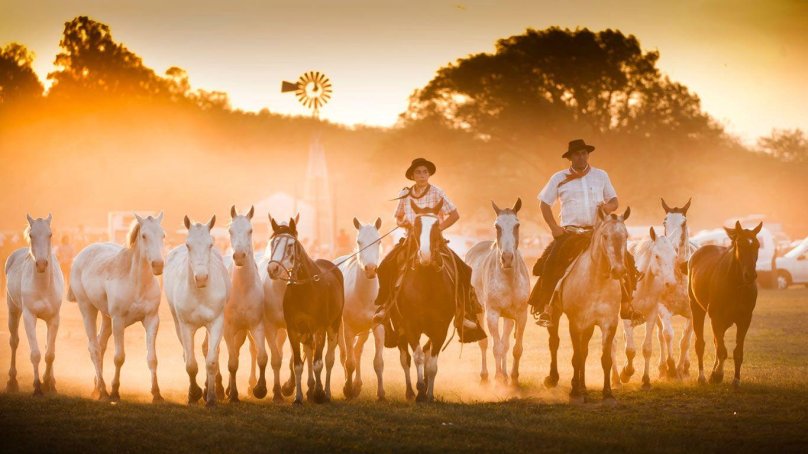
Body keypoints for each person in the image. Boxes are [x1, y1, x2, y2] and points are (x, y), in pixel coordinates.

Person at [528, 139, 643, 327]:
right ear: (570, 157)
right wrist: (554, 228)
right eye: (577, 154)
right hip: (570, 233)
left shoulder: (601, 176)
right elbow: (544, 204)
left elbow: (615, 201)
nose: (581, 157)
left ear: (588, 155)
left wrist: (607, 207)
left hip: (597, 233)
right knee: (550, 263)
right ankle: (546, 308)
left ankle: (627, 305)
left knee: (626, 260)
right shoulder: (558, 178)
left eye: (584, 153)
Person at [372, 158, 486, 343]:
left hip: (435, 242)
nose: (422, 175)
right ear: (413, 175)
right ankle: (384, 307)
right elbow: (398, 217)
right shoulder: (405, 193)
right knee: (385, 266)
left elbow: (455, 214)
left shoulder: (437, 192)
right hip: (411, 240)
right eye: (418, 172)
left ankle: (465, 314)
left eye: (425, 172)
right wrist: (403, 223)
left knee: (465, 270)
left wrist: (438, 229)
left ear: (429, 174)